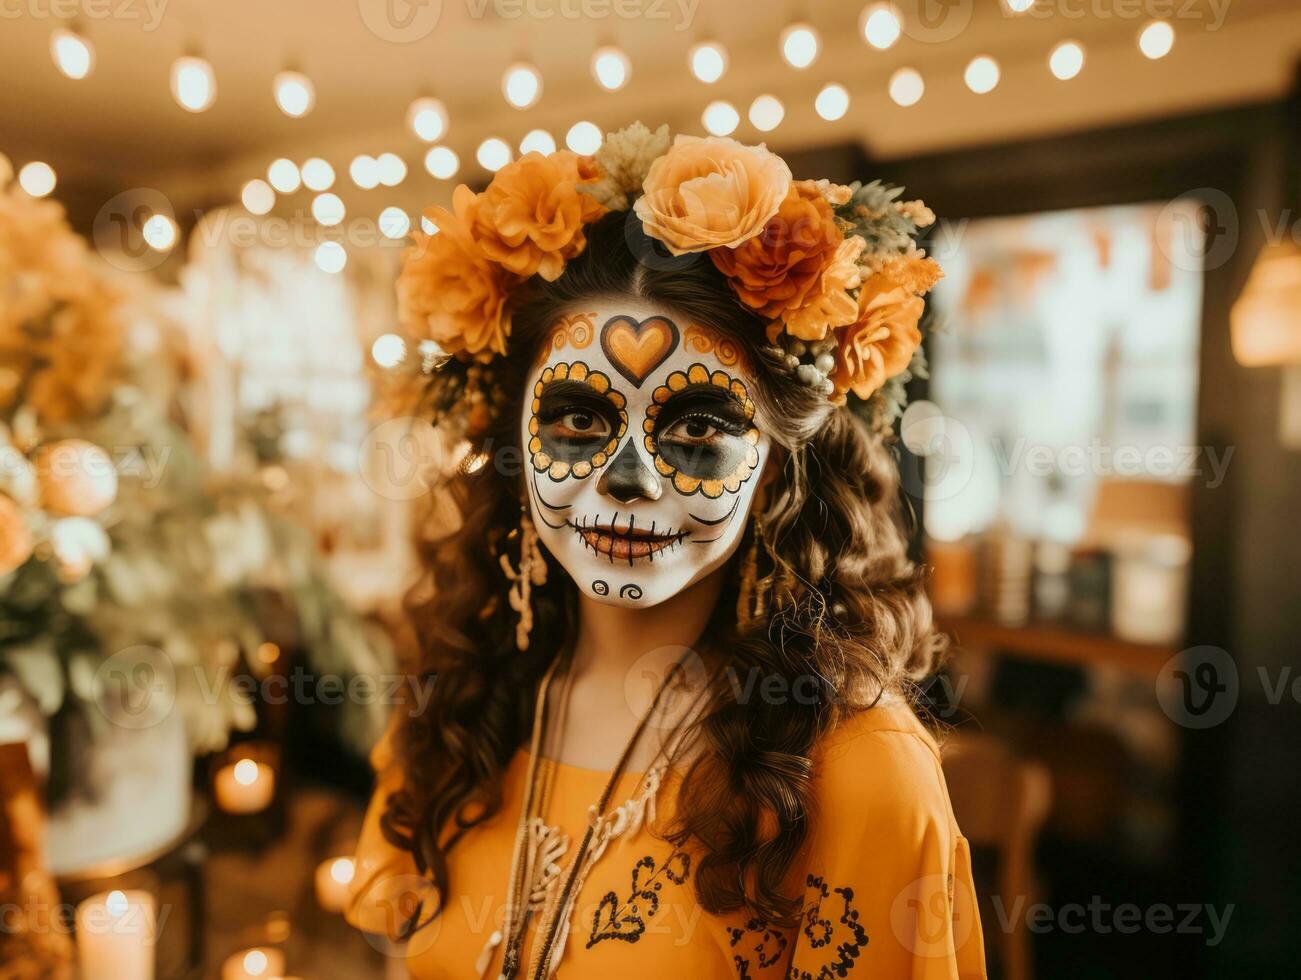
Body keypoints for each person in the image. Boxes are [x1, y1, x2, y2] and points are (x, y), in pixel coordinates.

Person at [347, 124, 986, 980]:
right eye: (577, 419)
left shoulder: (859, 774)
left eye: (696, 428)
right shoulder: (456, 699)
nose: (629, 479)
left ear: (774, 468)